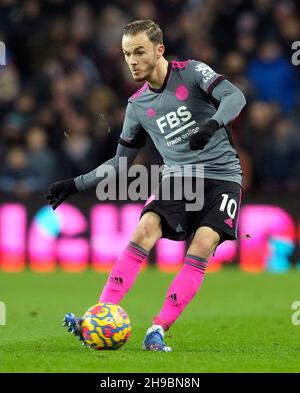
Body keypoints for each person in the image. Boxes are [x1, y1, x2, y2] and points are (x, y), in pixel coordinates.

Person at [46, 20, 246, 351]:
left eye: (139, 52)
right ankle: (97, 315)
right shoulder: (137, 106)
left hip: (224, 176)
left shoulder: (192, 73)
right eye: (127, 54)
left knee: (203, 244)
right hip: (179, 177)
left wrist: (211, 125)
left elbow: (234, 97)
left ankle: (157, 329)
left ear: (159, 50)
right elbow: (121, 162)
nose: (133, 61)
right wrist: (74, 184)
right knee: (144, 230)